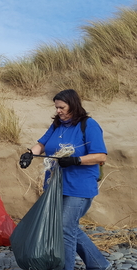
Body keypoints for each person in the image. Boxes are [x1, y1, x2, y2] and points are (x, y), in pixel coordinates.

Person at [19, 89, 110, 270]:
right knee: (67, 227)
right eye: (56, 107)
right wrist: (30, 153)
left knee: (64, 228)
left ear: (73, 105)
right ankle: (99, 264)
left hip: (80, 186)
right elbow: (42, 144)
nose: (58, 111)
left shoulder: (88, 125)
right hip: (56, 185)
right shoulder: (57, 125)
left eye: (62, 107)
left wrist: (77, 160)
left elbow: (101, 156)